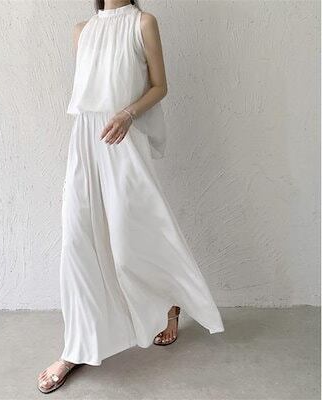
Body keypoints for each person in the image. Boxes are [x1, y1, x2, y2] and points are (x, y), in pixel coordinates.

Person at [38, 0, 224, 393]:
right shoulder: (82, 30)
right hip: (85, 142)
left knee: (132, 236)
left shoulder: (143, 23)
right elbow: (90, 92)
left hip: (122, 140)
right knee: (76, 241)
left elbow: (160, 85)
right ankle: (76, 346)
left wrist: (127, 114)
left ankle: (171, 301)